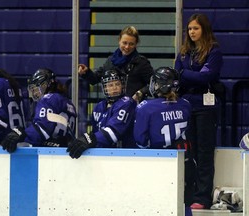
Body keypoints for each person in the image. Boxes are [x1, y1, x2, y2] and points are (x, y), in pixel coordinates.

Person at [174, 13, 223, 209]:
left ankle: (203, 197)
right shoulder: (184, 52)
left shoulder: (214, 51)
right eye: (190, 29)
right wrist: (189, 76)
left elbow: (206, 77)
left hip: (206, 106)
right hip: (186, 105)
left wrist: (184, 74)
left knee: (204, 151)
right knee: (189, 150)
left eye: (196, 28)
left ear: (204, 29)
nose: (192, 32)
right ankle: (189, 192)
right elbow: (177, 78)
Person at [134, 67, 194, 212]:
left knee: (156, 204)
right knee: (183, 202)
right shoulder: (185, 104)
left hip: (158, 162)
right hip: (184, 160)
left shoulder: (145, 108)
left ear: (160, 85)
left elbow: (140, 140)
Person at [1, 68, 77, 153]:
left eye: (36, 89)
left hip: (49, 153)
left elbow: (42, 130)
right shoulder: (69, 103)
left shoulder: (48, 99)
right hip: (65, 152)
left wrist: (22, 134)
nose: (35, 93)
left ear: (46, 85)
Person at [67, 69, 137, 159]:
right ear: (105, 88)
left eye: (117, 84)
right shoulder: (99, 107)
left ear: (122, 86)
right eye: (110, 85)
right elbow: (96, 133)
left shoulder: (127, 103)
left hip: (125, 155)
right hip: (104, 154)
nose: (114, 88)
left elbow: (113, 132)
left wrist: (89, 139)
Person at [78, 26, 153, 102]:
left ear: (136, 44)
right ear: (119, 41)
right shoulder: (111, 60)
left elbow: (154, 84)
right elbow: (95, 79)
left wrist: (140, 92)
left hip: (134, 107)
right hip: (114, 106)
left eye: (131, 44)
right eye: (124, 43)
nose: (127, 47)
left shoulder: (142, 63)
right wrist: (86, 72)